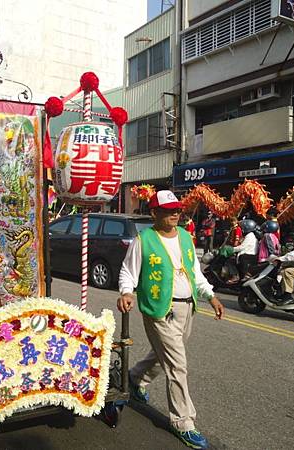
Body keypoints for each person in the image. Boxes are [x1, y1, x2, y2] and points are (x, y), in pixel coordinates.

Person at [118, 190, 224, 450]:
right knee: (178, 365)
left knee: (164, 353)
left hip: (187, 308)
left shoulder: (187, 238)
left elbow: (195, 273)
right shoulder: (144, 240)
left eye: (177, 209)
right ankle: (183, 422)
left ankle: (135, 378)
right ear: (154, 213)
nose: (175, 213)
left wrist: (211, 296)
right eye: (168, 210)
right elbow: (128, 272)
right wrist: (126, 292)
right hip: (158, 310)